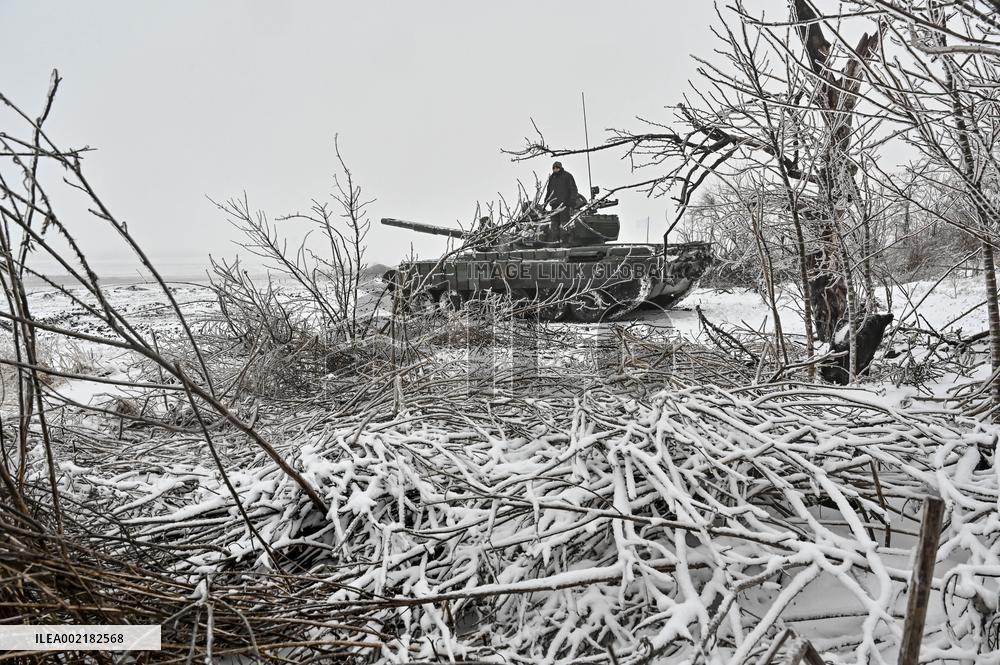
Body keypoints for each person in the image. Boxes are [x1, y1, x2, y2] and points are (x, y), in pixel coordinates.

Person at [544, 161, 579, 240]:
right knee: (554, 224)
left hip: (564, 205)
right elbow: (549, 191)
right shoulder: (552, 178)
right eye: (554, 168)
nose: (555, 169)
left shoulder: (567, 176)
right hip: (554, 206)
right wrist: (545, 202)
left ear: (560, 168)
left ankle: (565, 241)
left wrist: (572, 202)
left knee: (564, 224)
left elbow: (573, 189)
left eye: (557, 168)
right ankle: (555, 242)